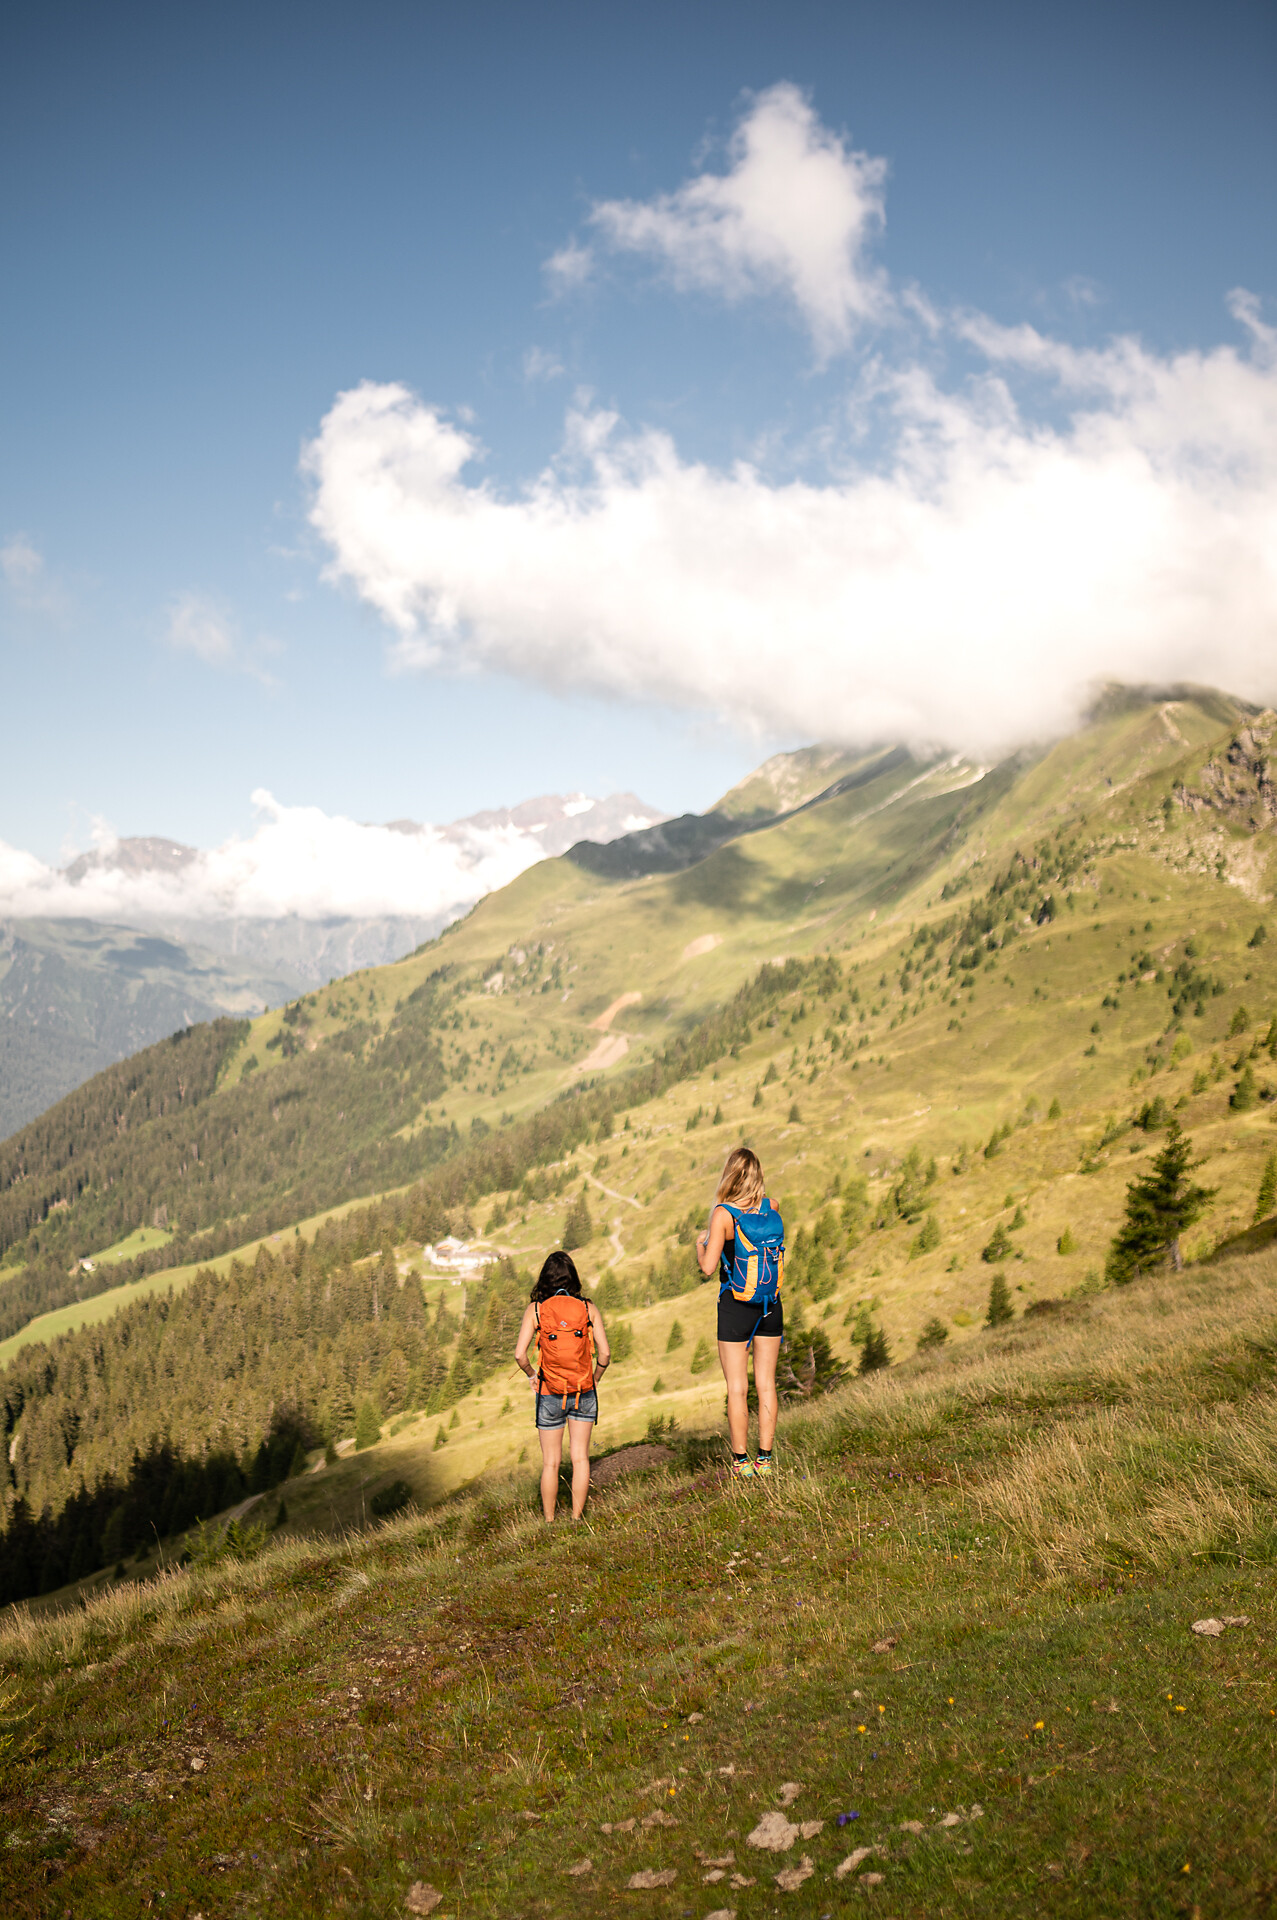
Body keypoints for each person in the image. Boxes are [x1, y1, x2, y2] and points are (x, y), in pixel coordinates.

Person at [696, 1146, 784, 1479]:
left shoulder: (723, 1214)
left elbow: (707, 1267)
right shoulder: (771, 1206)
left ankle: (741, 1463)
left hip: (735, 1307)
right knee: (766, 1384)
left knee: (737, 1387)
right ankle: (765, 1460)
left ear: (730, 1175)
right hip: (770, 1305)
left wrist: (700, 1245)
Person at [514, 1250, 610, 1521]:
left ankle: (549, 1521)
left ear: (544, 1278)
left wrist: (533, 1375)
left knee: (550, 1462)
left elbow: (520, 1354)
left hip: (550, 1392)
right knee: (580, 1459)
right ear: (573, 1278)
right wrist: (595, 1379)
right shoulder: (588, 1308)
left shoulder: (535, 1310)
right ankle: (577, 1519)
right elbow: (605, 1354)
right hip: (583, 1391)